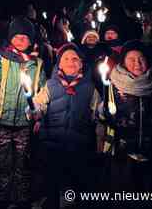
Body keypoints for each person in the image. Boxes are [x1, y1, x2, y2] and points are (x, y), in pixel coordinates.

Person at [30, 43, 100, 209]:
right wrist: (35, 111)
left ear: (82, 64)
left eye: (75, 58)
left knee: (73, 180)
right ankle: (51, 202)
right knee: (52, 179)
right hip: (52, 142)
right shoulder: (50, 85)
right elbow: (39, 104)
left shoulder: (89, 88)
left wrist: (103, 112)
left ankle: (70, 203)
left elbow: (97, 112)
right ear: (59, 64)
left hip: (78, 143)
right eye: (66, 58)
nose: (71, 61)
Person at [0, 17, 46, 208]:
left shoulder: (37, 65)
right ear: (10, 38)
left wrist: (39, 114)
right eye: (17, 37)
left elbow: (42, 92)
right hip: (1, 119)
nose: (21, 41)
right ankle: (2, 196)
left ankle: (21, 196)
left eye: (25, 38)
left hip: (24, 122)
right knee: (2, 161)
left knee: (23, 161)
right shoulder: (0, 60)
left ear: (31, 41)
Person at [98, 40, 152, 193]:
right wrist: (104, 109)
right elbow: (105, 118)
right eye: (131, 59)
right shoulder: (114, 86)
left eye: (141, 59)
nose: (137, 64)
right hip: (123, 155)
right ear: (124, 62)